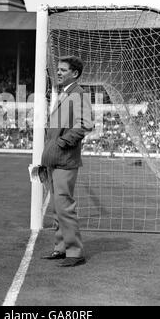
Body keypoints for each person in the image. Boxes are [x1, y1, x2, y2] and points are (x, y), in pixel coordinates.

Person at [41, 56, 93, 267]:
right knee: (57, 207)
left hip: (65, 159)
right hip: (55, 159)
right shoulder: (66, 93)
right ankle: (61, 248)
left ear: (75, 74)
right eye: (58, 69)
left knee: (64, 206)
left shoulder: (79, 94)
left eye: (63, 70)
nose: (59, 72)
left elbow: (86, 124)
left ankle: (75, 252)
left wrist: (63, 142)